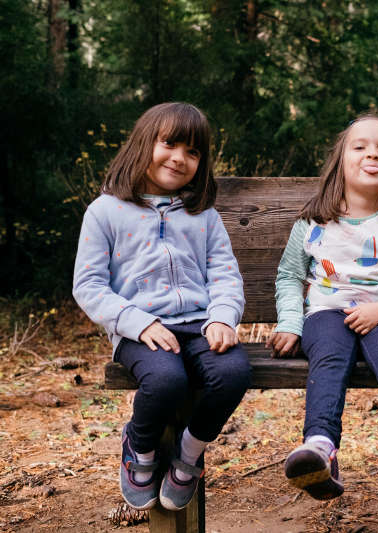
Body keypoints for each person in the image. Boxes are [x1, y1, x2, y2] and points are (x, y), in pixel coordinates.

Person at [72, 102, 251, 511]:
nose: (180, 158)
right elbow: (89, 285)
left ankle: (189, 455)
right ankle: (141, 448)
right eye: (170, 144)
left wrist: (222, 317)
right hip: (141, 331)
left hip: (200, 324)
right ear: (143, 144)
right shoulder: (105, 212)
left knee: (234, 372)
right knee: (167, 381)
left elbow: (224, 274)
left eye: (193, 152)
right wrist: (137, 322)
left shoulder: (202, 214)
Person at [268, 115, 378, 500]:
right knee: (328, 355)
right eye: (360, 146)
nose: (372, 154)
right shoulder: (312, 223)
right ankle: (320, 449)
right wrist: (291, 323)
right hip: (325, 315)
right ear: (340, 160)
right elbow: (289, 277)